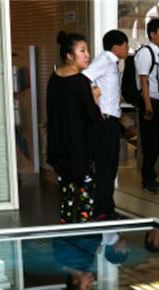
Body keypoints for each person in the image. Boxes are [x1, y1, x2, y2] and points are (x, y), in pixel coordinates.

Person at [46, 32, 100, 223]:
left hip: (59, 146)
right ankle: (85, 228)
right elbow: (92, 116)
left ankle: (66, 225)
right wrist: (95, 97)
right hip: (79, 147)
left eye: (87, 50)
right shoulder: (81, 82)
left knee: (66, 195)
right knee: (86, 193)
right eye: (82, 51)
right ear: (69, 56)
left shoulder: (53, 79)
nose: (88, 55)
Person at [83, 30, 129, 220]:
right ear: (116, 47)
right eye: (126, 45)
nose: (127, 49)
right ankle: (102, 211)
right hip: (104, 123)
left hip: (112, 121)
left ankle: (107, 208)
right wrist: (96, 102)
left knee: (110, 168)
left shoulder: (113, 62)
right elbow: (84, 78)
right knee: (105, 168)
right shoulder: (105, 60)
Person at [135, 18, 159, 194]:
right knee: (150, 145)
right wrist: (148, 106)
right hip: (150, 104)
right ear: (152, 34)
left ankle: (152, 177)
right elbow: (144, 80)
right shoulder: (146, 53)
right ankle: (147, 181)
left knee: (156, 146)